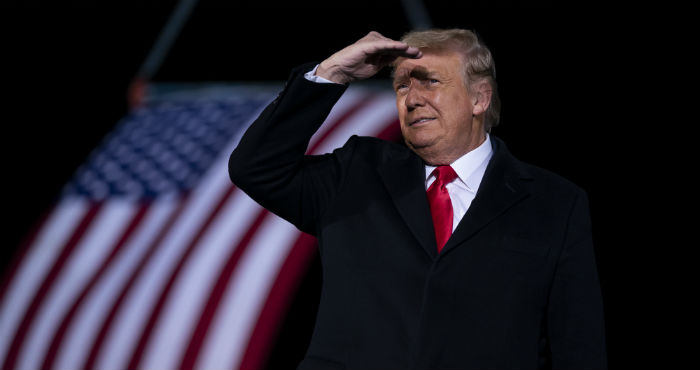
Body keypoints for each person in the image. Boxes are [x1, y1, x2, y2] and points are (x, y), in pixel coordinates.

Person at [229, 29, 606, 369]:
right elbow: (256, 168)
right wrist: (331, 74)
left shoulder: (554, 203)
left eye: (430, 81)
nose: (412, 99)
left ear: (479, 98)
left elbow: (577, 345)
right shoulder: (357, 172)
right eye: (402, 86)